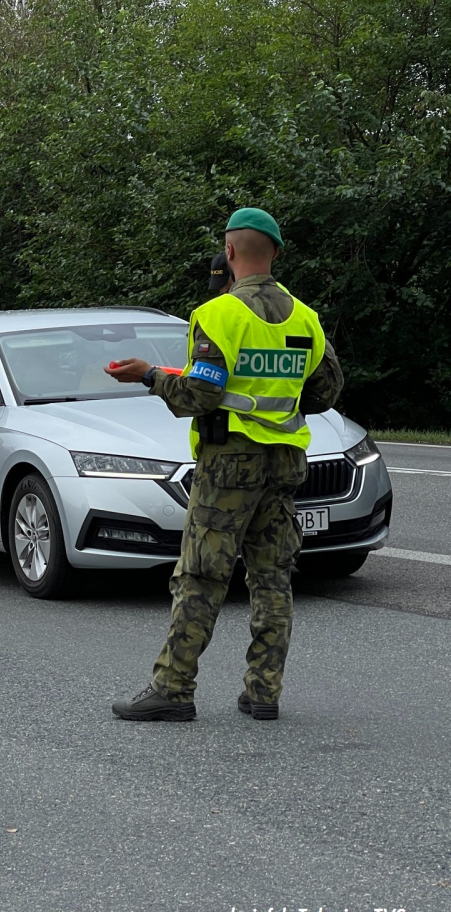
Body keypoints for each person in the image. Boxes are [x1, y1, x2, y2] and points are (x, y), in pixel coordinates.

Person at [106, 208, 343, 721]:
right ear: (275, 252)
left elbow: (200, 395)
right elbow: (326, 391)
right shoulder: (306, 318)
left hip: (229, 465)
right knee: (272, 577)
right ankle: (264, 693)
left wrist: (149, 376)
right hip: (285, 462)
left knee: (201, 575)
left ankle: (173, 690)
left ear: (229, 252)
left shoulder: (219, 314)